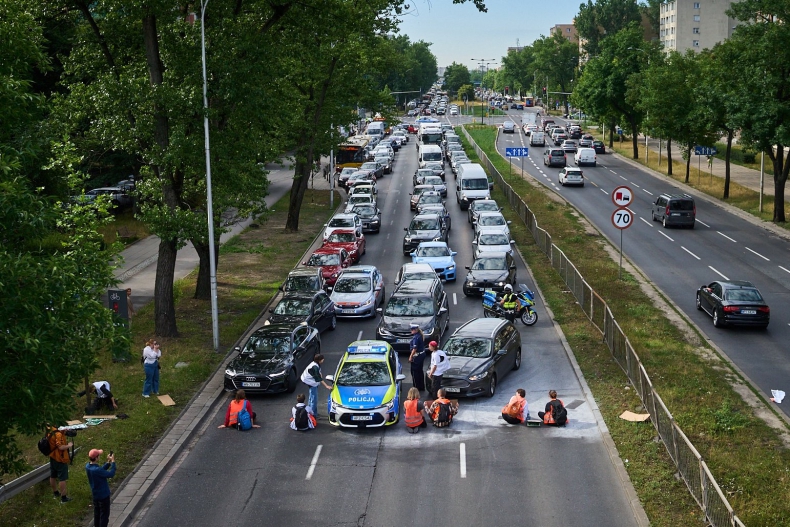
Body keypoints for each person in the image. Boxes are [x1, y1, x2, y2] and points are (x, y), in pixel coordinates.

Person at [85, 449, 116, 527]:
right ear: (96, 458)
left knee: (97, 514)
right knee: (104, 516)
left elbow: (100, 471)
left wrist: (108, 462)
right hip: (103, 496)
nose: (99, 457)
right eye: (99, 455)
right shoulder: (97, 470)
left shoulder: (88, 466)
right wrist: (113, 462)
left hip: (95, 495)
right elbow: (111, 474)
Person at [48, 425, 73, 503]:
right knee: (62, 478)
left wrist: (63, 432)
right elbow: (61, 447)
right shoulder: (58, 434)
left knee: (53, 475)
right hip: (60, 458)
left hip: (52, 457)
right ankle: (64, 498)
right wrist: (69, 445)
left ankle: (55, 493)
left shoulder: (49, 430)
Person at [407, 324, 426, 392]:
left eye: (412, 330)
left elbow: (415, 348)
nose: (411, 331)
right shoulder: (420, 335)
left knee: (414, 372)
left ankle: (416, 388)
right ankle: (421, 386)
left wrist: (410, 356)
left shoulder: (416, 337)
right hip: (421, 355)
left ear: (415, 330)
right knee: (420, 371)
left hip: (417, 356)